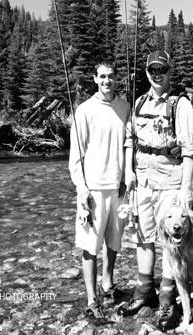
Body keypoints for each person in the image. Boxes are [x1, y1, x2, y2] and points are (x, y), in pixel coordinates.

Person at [118, 50, 193, 332]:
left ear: (169, 71)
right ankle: (143, 291)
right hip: (142, 182)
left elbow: (190, 151)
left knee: (169, 242)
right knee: (143, 237)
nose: (157, 74)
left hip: (170, 184)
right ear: (146, 72)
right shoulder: (139, 102)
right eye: (152, 70)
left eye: (161, 69)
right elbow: (130, 141)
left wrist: (186, 190)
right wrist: (129, 172)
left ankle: (167, 298)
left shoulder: (181, 105)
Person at [69, 62, 131, 319]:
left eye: (111, 76)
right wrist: (82, 191)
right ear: (95, 79)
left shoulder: (126, 107)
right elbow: (76, 157)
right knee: (90, 247)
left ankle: (108, 283)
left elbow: (130, 146)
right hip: (92, 190)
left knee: (114, 242)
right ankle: (92, 298)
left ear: (117, 79)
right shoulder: (84, 111)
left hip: (118, 188)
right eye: (102, 76)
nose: (107, 81)